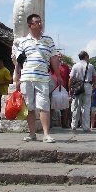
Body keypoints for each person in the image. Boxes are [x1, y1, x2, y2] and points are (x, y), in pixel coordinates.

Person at [13, 14, 59, 143]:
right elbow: (18, 62)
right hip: (27, 77)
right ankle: (32, 133)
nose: (40, 24)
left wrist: (58, 75)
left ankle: (46, 134)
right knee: (29, 106)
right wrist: (17, 78)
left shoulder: (48, 40)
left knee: (44, 106)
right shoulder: (23, 42)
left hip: (43, 77)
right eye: (37, 22)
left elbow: (54, 58)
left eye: (40, 22)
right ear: (30, 25)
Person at [69, 50, 96, 132]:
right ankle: (86, 127)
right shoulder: (90, 66)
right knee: (86, 107)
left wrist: (70, 88)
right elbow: (95, 77)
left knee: (76, 107)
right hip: (87, 86)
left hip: (78, 87)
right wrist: (94, 85)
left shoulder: (75, 66)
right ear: (86, 56)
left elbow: (71, 78)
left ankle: (74, 125)